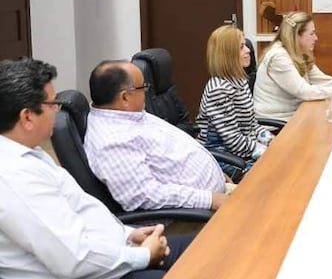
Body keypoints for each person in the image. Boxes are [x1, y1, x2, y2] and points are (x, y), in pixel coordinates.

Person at [0, 58, 192, 279]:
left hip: (106, 263)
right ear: (27, 117)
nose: (57, 110)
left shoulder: (30, 153)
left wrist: (129, 234)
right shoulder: (14, 177)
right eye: (52, 103)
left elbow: (81, 214)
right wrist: (143, 255)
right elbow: (73, 260)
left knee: (209, 247)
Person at [86, 60, 230, 212]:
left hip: (216, 194)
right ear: (125, 98)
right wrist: (209, 199)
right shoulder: (112, 141)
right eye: (143, 87)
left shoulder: (125, 114)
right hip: (191, 216)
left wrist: (214, 173)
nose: (146, 92)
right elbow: (146, 195)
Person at [253, 12, 332, 121]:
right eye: (312, 34)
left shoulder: (299, 52)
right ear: (296, 36)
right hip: (277, 123)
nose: (316, 38)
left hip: (296, 114)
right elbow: (304, 91)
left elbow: (321, 79)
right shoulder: (278, 57)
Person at [197, 25, 278, 172]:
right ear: (227, 54)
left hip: (241, 151)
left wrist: (271, 140)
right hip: (222, 157)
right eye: (241, 47)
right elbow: (233, 140)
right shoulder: (219, 89)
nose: (248, 50)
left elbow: (252, 125)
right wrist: (265, 151)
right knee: (276, 172)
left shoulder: (240, 80)